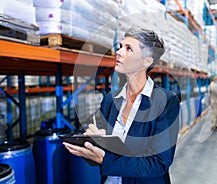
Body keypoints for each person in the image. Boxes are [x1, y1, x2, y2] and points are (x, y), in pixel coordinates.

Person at [63, 27, 180, 184]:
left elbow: (158, 163)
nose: (118, 52)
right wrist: (90, 147)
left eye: (129, 49)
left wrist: (105, 159)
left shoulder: (165, 102)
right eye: (120, 46)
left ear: (147, 61)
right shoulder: (110, 101)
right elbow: (103, 156)